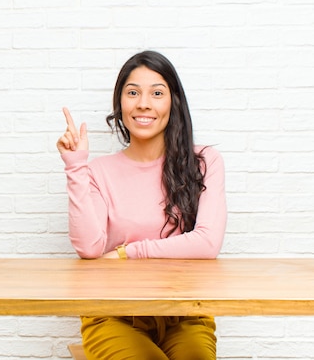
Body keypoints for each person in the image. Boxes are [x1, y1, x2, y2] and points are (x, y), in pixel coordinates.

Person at [57, 50, 227, 360]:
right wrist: (76, 165)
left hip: (186, 313)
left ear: (173, 103)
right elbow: (90, 247)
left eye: (157, 93)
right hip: (112, 313)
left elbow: (207, 243)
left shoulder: (204, 162)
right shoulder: (98, 171)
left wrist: (127, 252)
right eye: (132, 92)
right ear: (120, 104)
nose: (143, 103)